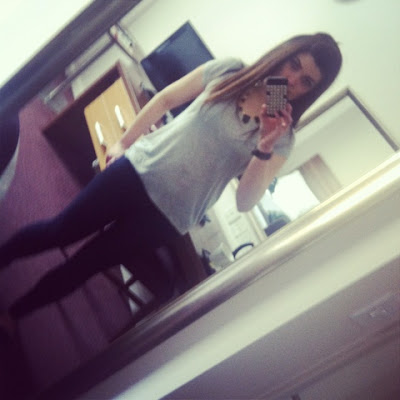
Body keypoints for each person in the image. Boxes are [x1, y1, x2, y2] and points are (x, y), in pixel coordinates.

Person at [0, 32, 342, 336]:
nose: (292, 80)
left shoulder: (282, 140)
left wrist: (265, 145)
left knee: (84, 266)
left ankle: (15, 314)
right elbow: (166, 99)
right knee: (60, 230)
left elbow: (245, 201)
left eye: (306, 81)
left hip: (167, 217)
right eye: (293, 64)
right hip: (138, 170)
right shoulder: (229, 71)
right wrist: (124, 142)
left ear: (311, 91)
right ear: (283, 54)